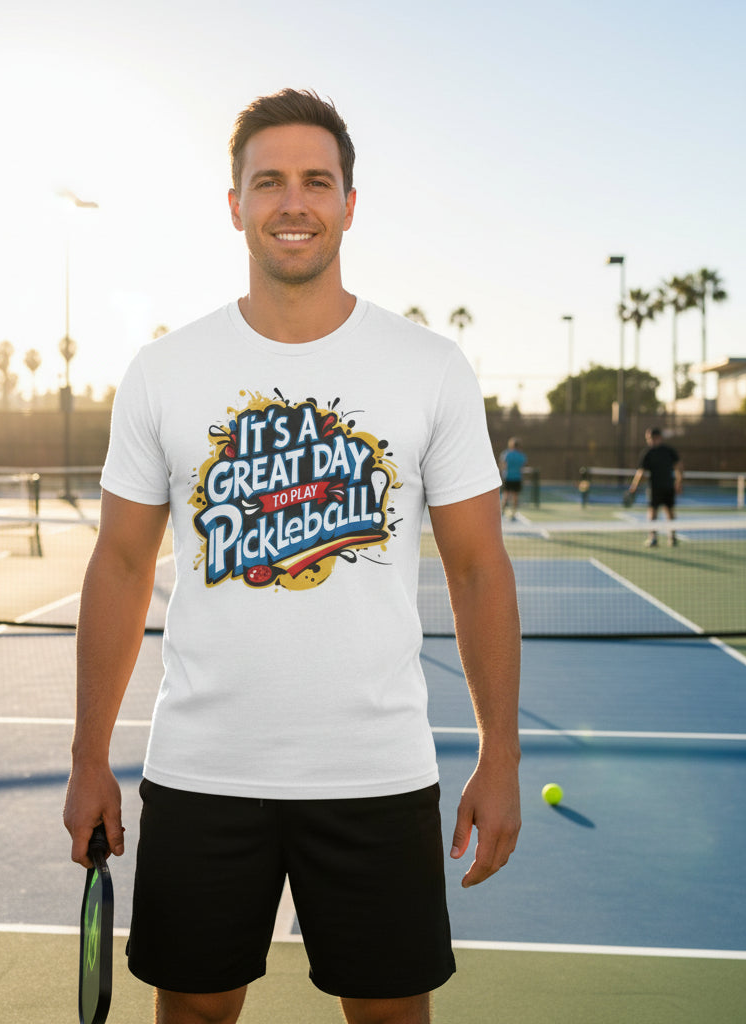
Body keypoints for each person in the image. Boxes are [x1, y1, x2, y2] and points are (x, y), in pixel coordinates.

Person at [63, 88, 521, 1024]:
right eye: (268, 181)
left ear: (351, 202)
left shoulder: (430, 367)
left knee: (391, 1015)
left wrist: (501, 756)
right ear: (233, 204)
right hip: (201, 770)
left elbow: (479, 569)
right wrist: (87, 757)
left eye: (317, 180)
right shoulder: (163, 370)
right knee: (191, 1012)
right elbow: (117, 564)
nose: (293, 202)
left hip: (377, 772)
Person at [628, 427, 683, 547]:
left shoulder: (669, 451)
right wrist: (634, 486)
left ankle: (672, 537)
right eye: (647, 438)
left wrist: (678, 482)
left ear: (657, 437)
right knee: (653, 512)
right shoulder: (648, 452)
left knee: (669, 511)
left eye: (650, 438)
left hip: (668, 487)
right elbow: (641, 472)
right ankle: (653, 537)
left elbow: (678, 466)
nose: (648, 440)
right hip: (654, 488)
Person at [498, 437, 528, 520]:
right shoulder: (521, 455)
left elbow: (502, 465)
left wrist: (502, 473)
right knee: (515, 496)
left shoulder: (506, 454)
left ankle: (502, 511)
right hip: (517, 478)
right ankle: (514, 513)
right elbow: (522, 466)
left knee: (505, 495)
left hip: (507, 477)